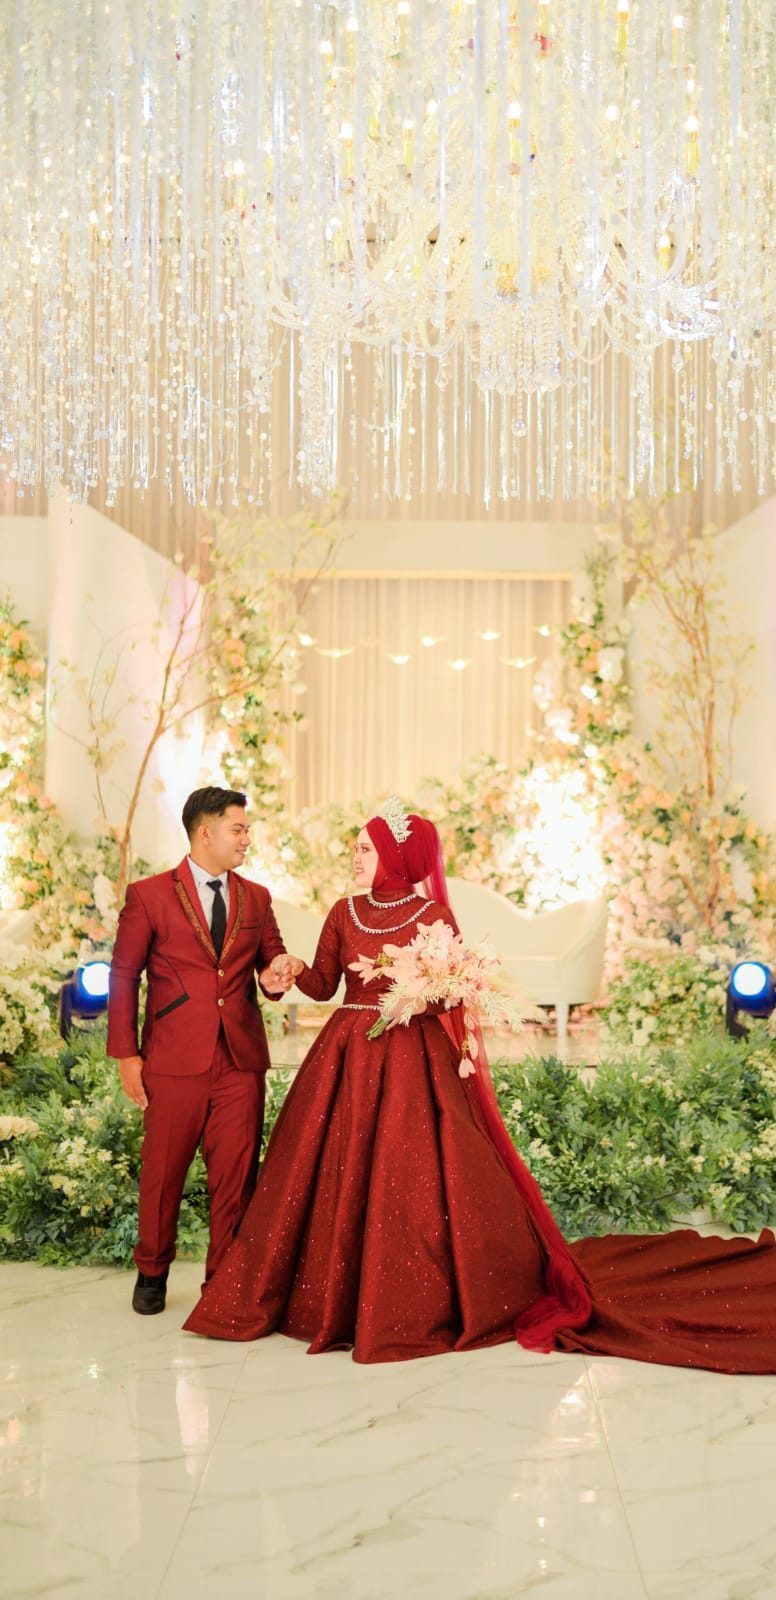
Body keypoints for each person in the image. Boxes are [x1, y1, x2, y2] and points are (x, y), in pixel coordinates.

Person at [184, 800, 776, 1373]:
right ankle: (326, 1294)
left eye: (365, 849)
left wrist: (417, 996)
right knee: (329, 1164)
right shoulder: (344, 911)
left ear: (396, 857)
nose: (356, 858)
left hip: (411, 1059)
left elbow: (451, 994)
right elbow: (324, 984)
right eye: (357, 848)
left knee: (410, 1170)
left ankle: (408, 1298)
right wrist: (290, 972)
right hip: (346, 1057)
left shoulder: (434, 916)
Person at [107, 785, 301, 1315]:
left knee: (236, 1176)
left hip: (240, 1059)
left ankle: (225, 1281)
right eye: (238, 829)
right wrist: (126, 1054)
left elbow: (270, 961)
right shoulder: (149, 895)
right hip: (172, 1058)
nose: (247, 839)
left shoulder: (257, 897)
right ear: (205, 832)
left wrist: (277, 974)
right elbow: (123, 975)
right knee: (163, 1172)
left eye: (247, 829)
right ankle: (152, 1270)